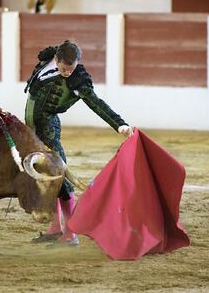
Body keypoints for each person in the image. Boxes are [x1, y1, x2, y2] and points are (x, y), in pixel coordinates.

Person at [24, 40, 133, 247]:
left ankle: (71, 233)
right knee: (47, 177)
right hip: (32, 130)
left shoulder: (78, 81)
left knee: (60, 176)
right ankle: (56, 228)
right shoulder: (48, 59)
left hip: (48, 129)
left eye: (71, 69)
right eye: (64, 69)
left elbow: (96, 104)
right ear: (57, 59)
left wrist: (120, 125)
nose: (67, 73)